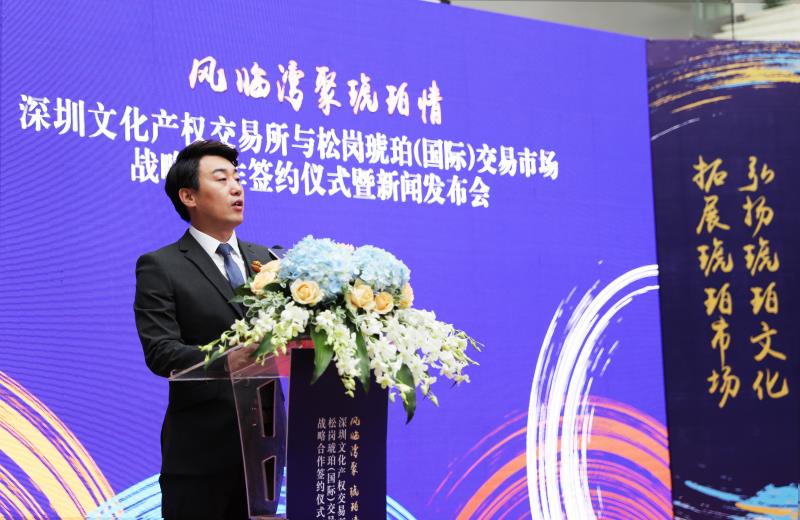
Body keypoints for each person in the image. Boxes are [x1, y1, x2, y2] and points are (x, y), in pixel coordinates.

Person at [134, 140, 275, 519]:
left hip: (265, 449)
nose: (236, 188)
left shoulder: (270, 260)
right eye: (221, 178)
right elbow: (161, 352)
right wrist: (227, 360)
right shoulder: (161, 266)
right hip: (200, 454)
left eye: (238, 179)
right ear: (188, 196)